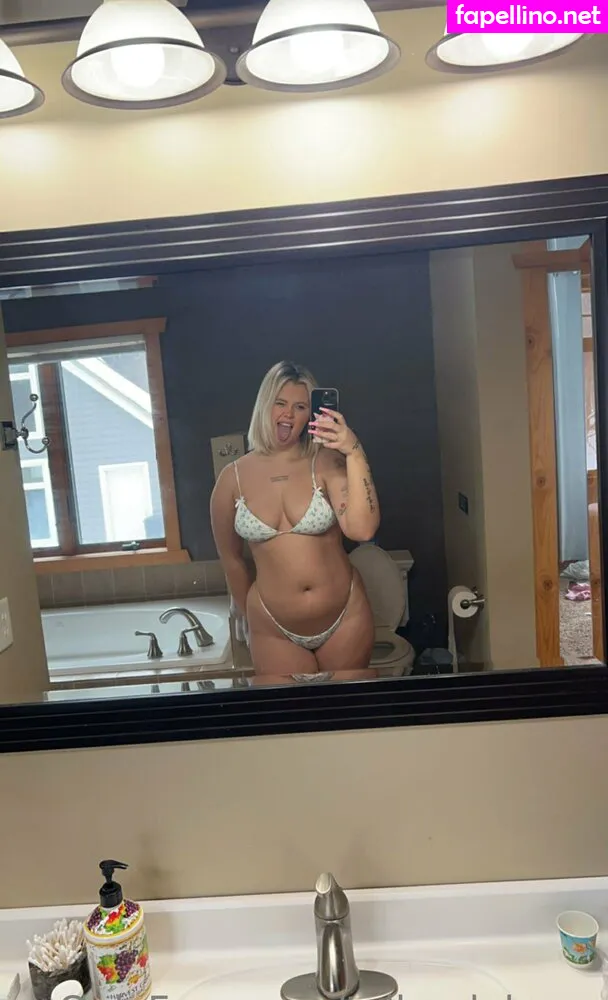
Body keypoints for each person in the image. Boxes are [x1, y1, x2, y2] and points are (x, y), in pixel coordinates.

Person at [210, 360, 380, 684]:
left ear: (310, 414)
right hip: (273, 628)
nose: (288, 414)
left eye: (300, 406)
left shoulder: (327, 461)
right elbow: (231, 559)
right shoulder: (232, 479)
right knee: (287, 715)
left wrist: (354, 452)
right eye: (280, 403)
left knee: (349, 713)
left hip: (344, 617)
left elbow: (363, 530)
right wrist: (251, 617)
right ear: (265, 405)